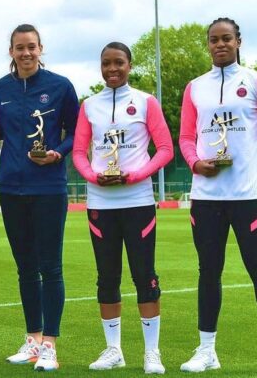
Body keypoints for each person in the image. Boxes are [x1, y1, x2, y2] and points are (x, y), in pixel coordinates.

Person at [72, 42, 173, 374]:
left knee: (145, 276)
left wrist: (135, 175)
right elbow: (78, 152)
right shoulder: (89, 106)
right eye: (106, 64)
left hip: (138, 201)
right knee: (107, 278)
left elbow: (166, 150)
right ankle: (113, 350)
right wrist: (92, 176)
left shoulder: (146, 101)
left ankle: (152, 352)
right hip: (101, 202)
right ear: (100, 67)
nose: (112, 69)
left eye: (118, 63)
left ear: (129, 65)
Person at [0, 24, 78, 372]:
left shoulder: (60, 86)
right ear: (10, 51)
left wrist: (56, 153)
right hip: (11, 187)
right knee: (25, 268)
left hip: (49, 188)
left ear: (41, 48)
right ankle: (33, 340)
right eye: (19, 48)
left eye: (31, 47)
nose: (26, 53)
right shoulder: (0, 89)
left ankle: (50, 346)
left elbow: (75, 132)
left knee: (50, 267)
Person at [178, 17, 257, 373]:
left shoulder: (253, 81)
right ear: (207, 44)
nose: (220, 44)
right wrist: (195, 164)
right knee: (209, 271)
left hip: (249, 195)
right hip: (207, 196)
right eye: (214, 40)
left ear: (238, 41)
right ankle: (207, 351)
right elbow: (185, 137)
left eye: (226, 38)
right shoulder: (195, 87)